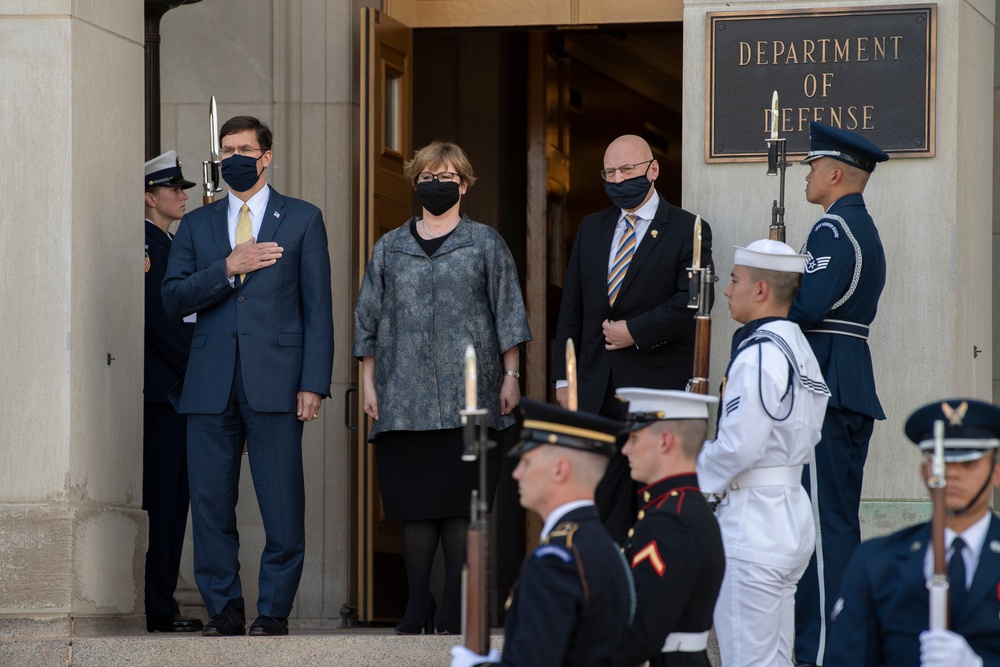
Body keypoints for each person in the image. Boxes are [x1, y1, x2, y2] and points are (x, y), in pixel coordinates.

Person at [161, 116, 334, 637]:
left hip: (278, 382)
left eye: (244, 149)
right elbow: (172, 298)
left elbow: (317, 309)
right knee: (211, 505)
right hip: (209, 384)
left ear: (266, 157)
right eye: (226, 149)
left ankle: (274, 611)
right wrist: (228, 267)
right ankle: (225, 609)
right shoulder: (198, 226)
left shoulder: (302, 219)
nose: (234, 157)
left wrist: (313, 382)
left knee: (282, 503)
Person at [352, 141, 531, 635]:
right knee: (413, 508)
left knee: (460, 508)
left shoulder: (486, 243)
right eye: (428, 175)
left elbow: (509, 313)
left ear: (465, 184)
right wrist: (368, 383)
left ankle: (455, 606)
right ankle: (417, 605)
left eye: (447, 176)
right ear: (415, 182)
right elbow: (367, 318)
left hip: (471, 400)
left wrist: (512, 377)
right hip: (403, 399)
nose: (437, 183)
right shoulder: (389, 246)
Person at [553, 134, 713, 545]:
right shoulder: (592, 228)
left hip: (654, 392)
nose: (618, 179)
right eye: (610, 172)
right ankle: (605, 596)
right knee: (598, 505)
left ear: (652, 170)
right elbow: (571, 308)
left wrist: (635, 332)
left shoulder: (688, 229)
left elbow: (693, 302)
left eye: (627, 170)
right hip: (594, 390)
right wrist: (563, 378)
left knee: (649, 510)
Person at [696, 239, 830, 667]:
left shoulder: (759, 353)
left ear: (760, 290)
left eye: (735, 281)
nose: (727, 291)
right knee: (773, 659)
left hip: (753, 521)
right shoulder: (798, 348)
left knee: (748, 661)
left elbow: (740, 445)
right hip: (788, 512)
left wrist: (689, 475)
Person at [790, 122, 889, 667]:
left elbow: (806, 307)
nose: (805, 175)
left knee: (823, 532)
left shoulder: (832, 230)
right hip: (848, 381)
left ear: (834, 173)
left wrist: (771, 285)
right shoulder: (861, 228)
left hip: (826, 382)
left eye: (810, 166)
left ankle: (828, 653)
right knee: (837, 522)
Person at [450, 398, 634, 667]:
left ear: (559, 469)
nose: (517, 474)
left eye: (527, 461)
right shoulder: (606, 546)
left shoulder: (554, 560)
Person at [826, 398, 1000, 667]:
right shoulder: (876, 562)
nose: (951, 474)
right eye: (942, 463)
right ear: (924, 472)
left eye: (968, 464)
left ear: (996, 472)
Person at [615, 388, 725, 667]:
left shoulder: (669, 521)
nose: (626, 448)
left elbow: (639, 636)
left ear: (665, 441)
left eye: (635, 437)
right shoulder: (682, 508)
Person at [142, 150, 202, 633]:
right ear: (149, 196)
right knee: (163, 500)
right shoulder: (148, 247)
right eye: (174, 189)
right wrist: (203, 372)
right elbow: (163, 324)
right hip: (167, 393)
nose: (182, 196)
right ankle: (158, 606)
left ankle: (161, 601)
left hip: (174, 391)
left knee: (175, 499)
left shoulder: (166, 243)